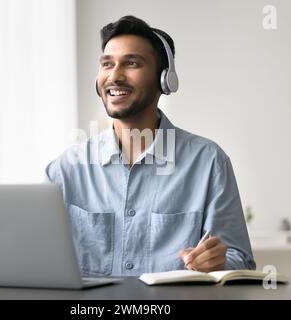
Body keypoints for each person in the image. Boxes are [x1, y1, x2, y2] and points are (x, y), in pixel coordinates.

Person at [44, 15, 255, 277]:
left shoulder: (209, 162)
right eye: (107, 64)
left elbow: (240, 259)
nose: (115, 76)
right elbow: (36, 259)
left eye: (131, 63)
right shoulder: (66, 169)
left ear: (165, 79)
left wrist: (219, 263)